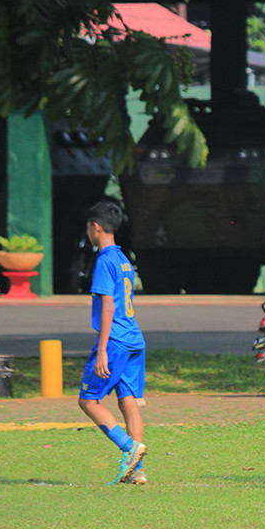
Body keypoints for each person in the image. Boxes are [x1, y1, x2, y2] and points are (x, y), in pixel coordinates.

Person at [77, 200, 148, 486]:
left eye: (88, 228)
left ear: (95, 227)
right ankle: (137, 470)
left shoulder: (105, 260)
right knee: (128, 402)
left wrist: (103, 349)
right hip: (134, 339)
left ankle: (129, 448)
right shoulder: (123, 259)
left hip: (116, 341)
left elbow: (108, 305)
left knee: (88, 400)